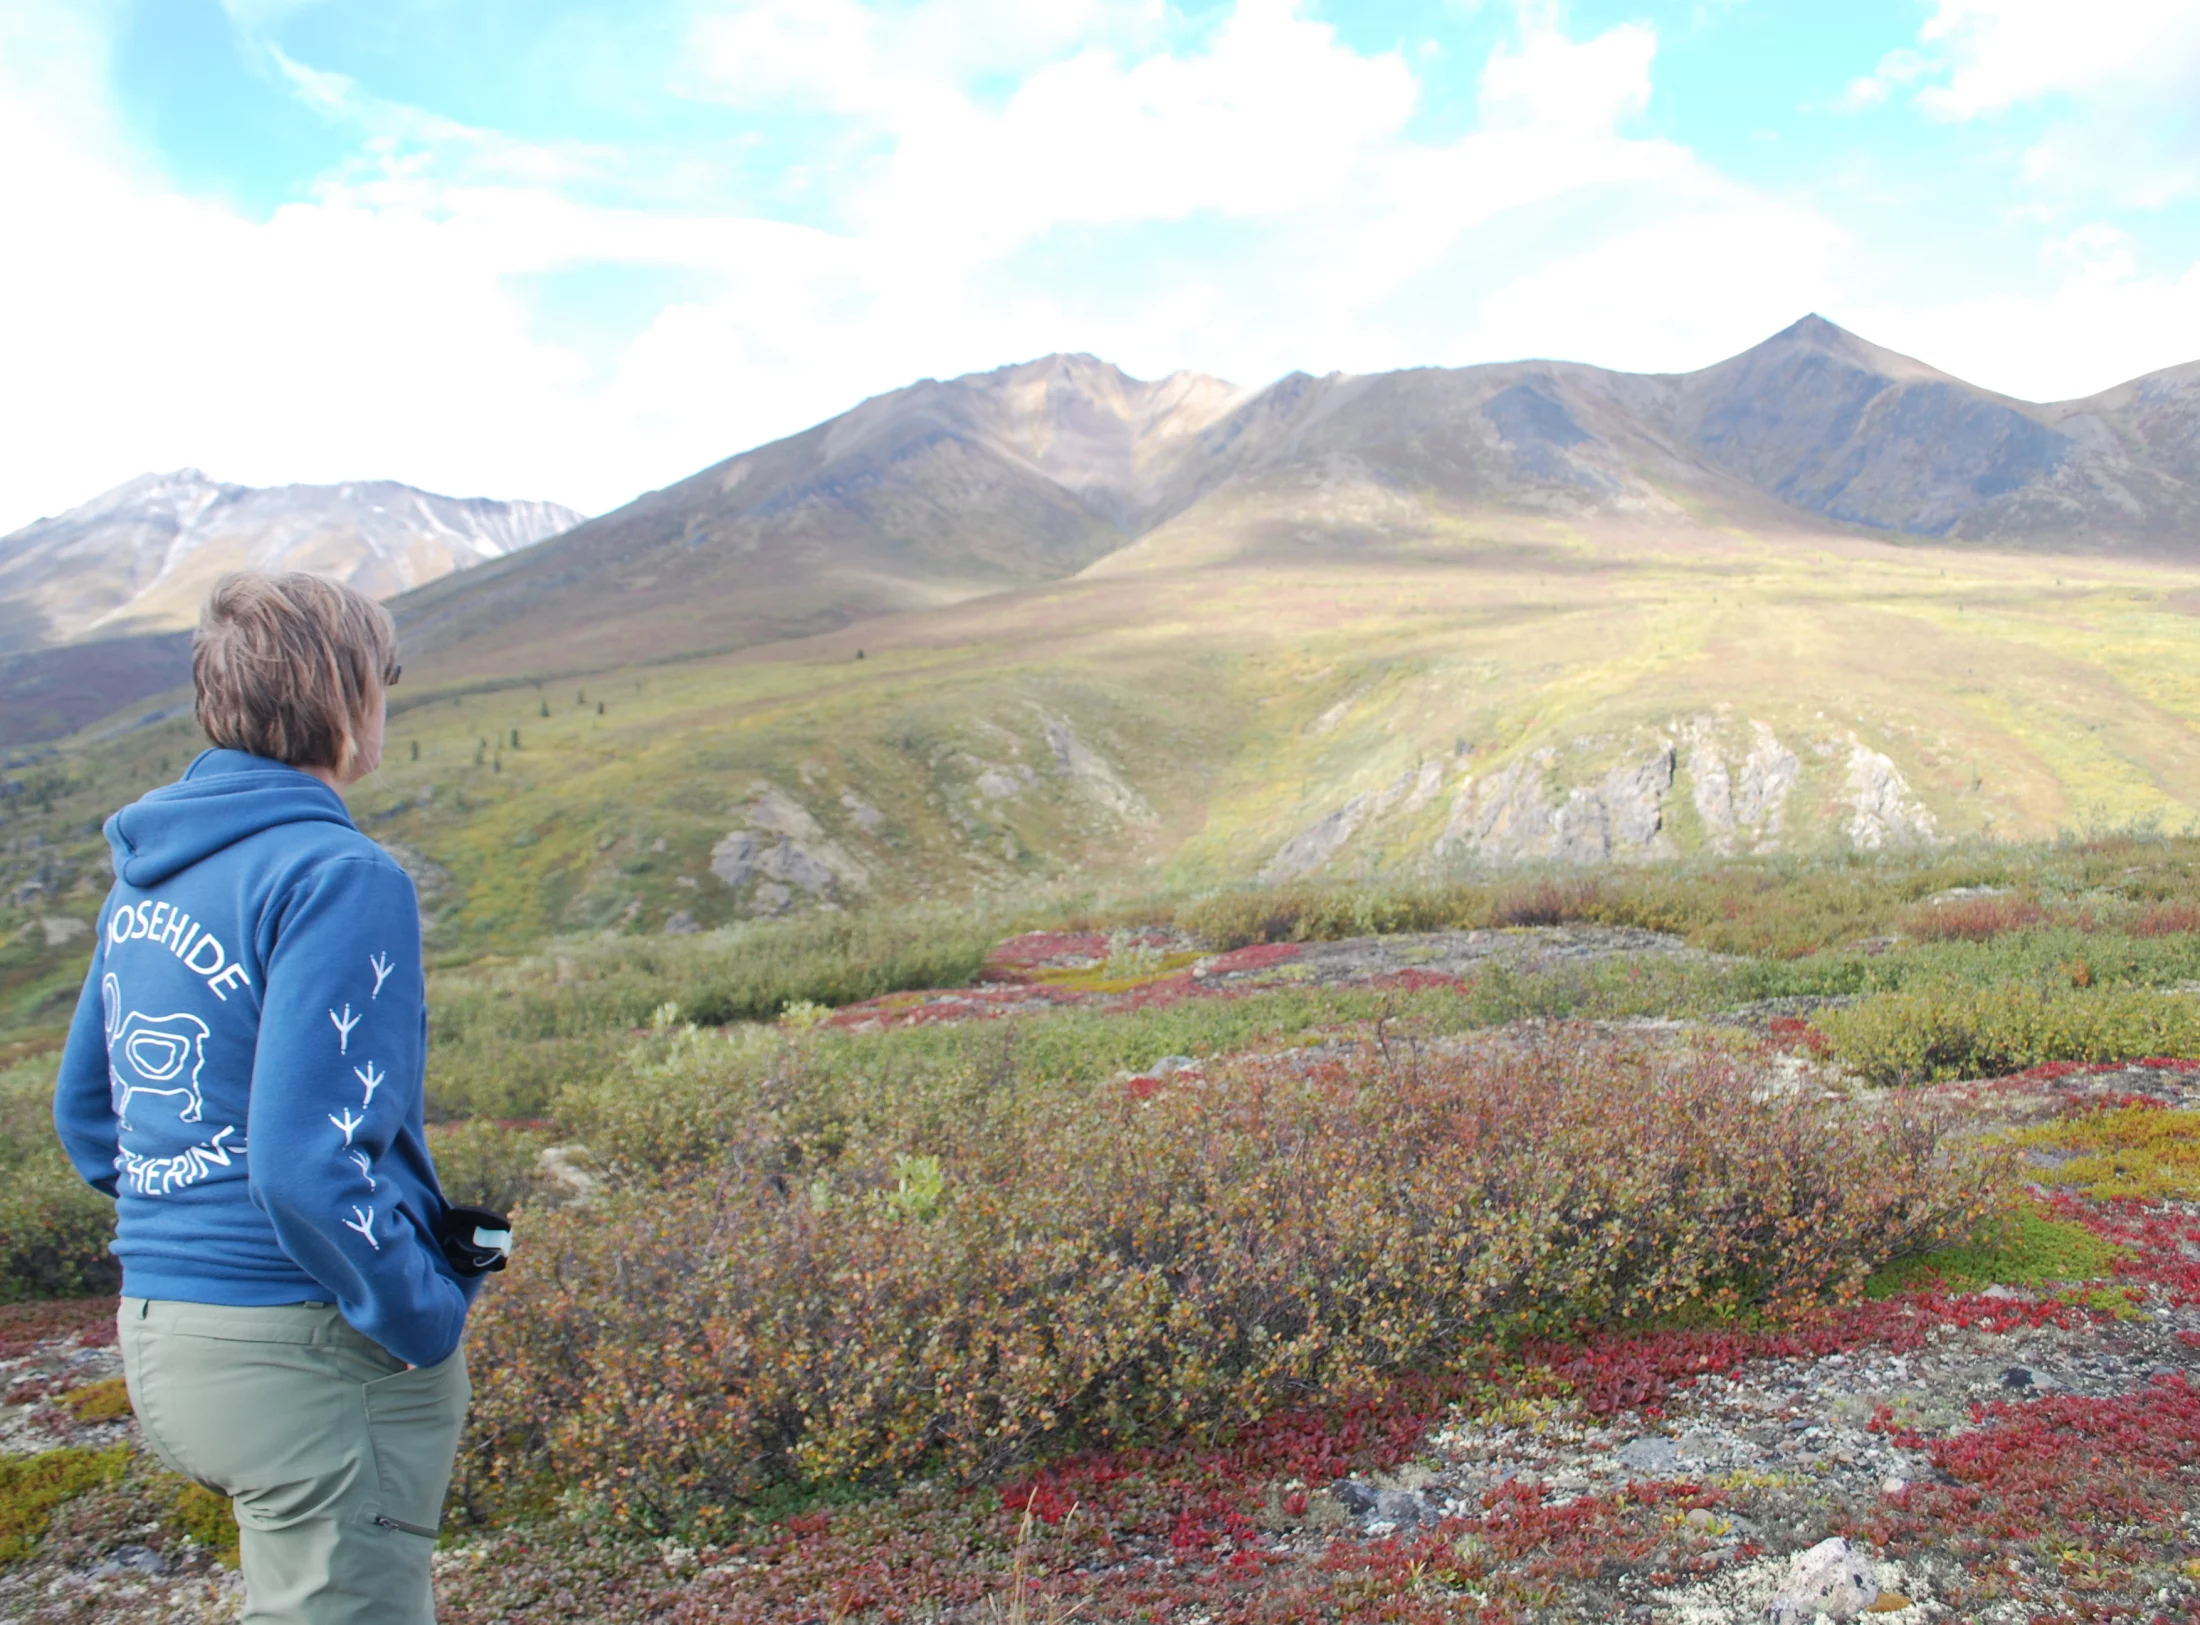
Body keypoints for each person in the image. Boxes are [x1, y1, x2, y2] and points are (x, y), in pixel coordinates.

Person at [53, 571, 480, 1624]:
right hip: (303, 1347)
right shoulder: (340, 872)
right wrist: (423, 1312)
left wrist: (193, 1228)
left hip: (162, 1331)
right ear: (343, 694)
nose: (386, 698)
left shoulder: (150, 872)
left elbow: (89, 1115)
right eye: (381, 676)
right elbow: (307, 1165)